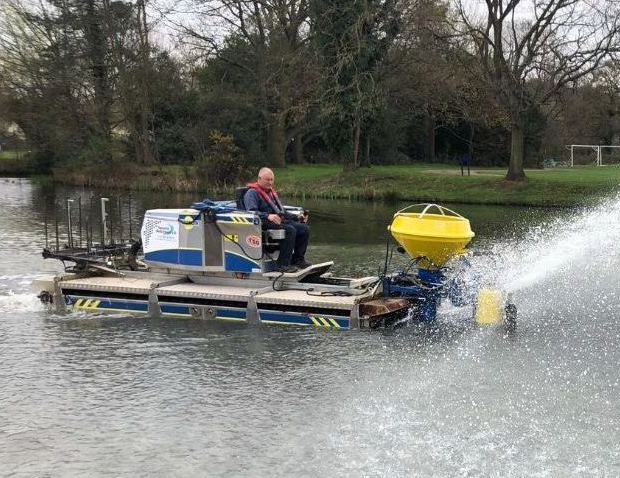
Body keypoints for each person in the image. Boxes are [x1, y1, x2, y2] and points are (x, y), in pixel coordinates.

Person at [243, 167, 310, 273]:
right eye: (267, 180)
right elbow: (251, 212)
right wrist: (268, 216)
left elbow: (281, 212)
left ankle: (298, 260)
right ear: (259, 179)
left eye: (271, 180)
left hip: (277, 221)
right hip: (262, 223)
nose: (270, 182)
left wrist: (297, 217)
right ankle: (283, 264)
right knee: (290, 230)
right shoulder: (252, 193)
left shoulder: (271, 193)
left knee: (304, 228)